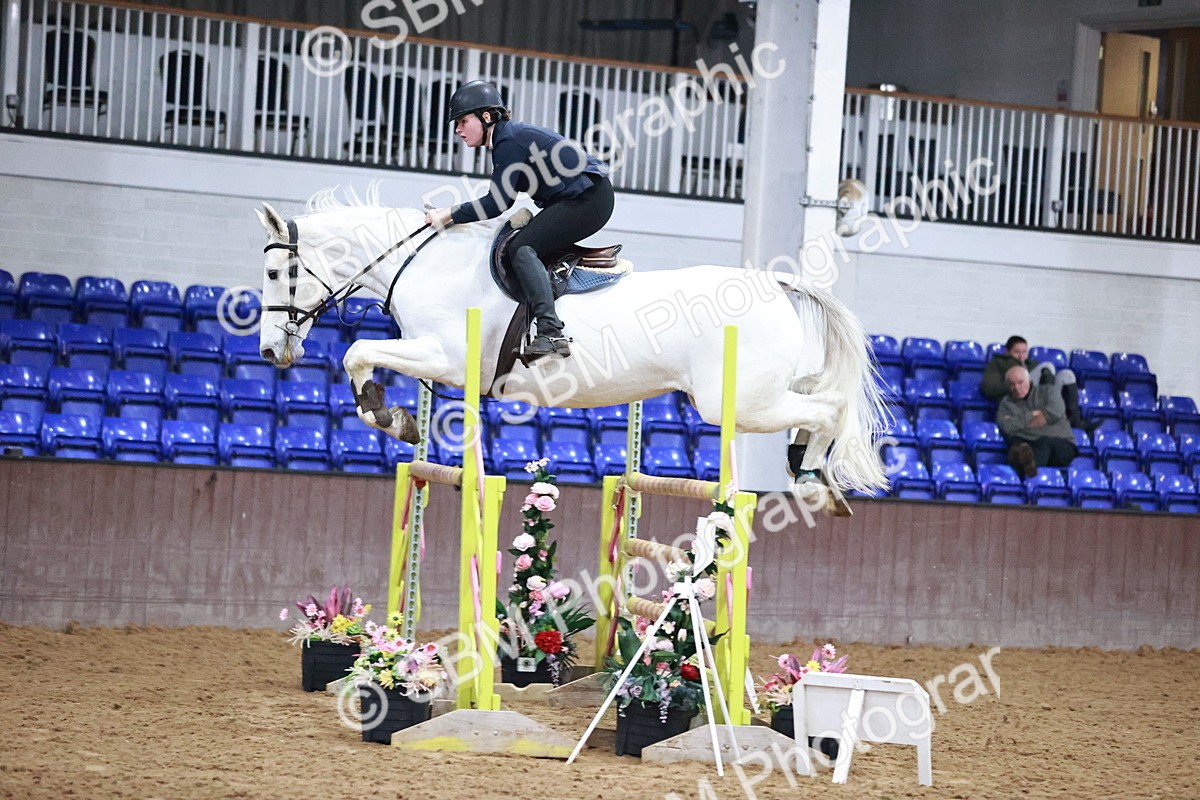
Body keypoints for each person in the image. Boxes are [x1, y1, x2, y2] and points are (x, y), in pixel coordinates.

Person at [424, 80, 614, 361]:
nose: (457, 129)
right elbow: (506, 201)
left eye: (463, 121)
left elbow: (496, 203)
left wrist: (448, 214)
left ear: (486, 117)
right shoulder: (506, 139)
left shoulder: (508, 142)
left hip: (588, 199)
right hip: (581, 197)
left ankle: (551, 332)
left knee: (522, 249)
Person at [980, 335, 1097, 431]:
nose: (1021, 356)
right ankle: (1046, 411)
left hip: (1034, 392)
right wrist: (1014, 382)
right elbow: (989, 388)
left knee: (1067, 375)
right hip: (1015, 397)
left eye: (1024, 352)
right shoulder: (997, 363)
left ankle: (1074, 421)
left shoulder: (1031, 364)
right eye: (1017, 352)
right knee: (1047, 366)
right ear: (1007, 352)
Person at [996, 365, 1078, 478]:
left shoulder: (1049, 391)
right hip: (1027, 443)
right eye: (1012, 384)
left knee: (1042, 443)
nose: (1017, 388)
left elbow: (1054, 413)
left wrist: (1020, 422)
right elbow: (1006, 426)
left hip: (1060, 444)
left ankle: (1028, 477)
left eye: (1020, 382)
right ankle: (1028, 477)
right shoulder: (1006, 404)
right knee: (1016, 442)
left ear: (1029, 380)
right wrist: (1034, 414)